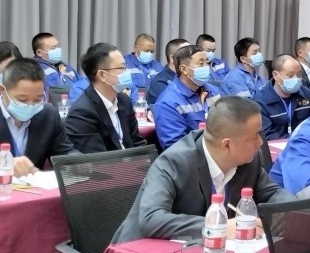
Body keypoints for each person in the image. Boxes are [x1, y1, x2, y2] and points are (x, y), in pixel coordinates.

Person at [112, 96, 294, 244]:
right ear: (227, 145)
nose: (260, 143)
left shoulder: (249, 161)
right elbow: (151, 219)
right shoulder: (174, 162)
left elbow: (274, 194)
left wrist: (292, 213)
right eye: (254, 137)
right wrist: (219, 227)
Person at [0, 58, 74, 172]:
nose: (30, 105)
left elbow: (67, 155)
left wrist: (81, 163)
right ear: (3, 91)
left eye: (37, 99)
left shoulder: (48, 116)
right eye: (22, 99)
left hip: (36, 186)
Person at [65, 42, 148, 154]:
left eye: (126, 67)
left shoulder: (124, 101)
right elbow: (98, 158)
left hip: (132, 162)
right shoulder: (82, 112)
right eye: (122, 68)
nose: (127, 72)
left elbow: (138, 144)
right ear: (102, 75)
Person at [153, 45, 224, 149]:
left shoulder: (213, 90)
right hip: (194, 156)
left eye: (207, 63)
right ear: (184, 69)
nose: (206, 67)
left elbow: (227, 123)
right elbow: (175, 148)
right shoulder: (167, 103)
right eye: (201, 64)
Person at [253, 54, 310, 140]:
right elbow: (266, 134)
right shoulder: (260, 101)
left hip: (304, 143)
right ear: (275, 75)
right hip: (276, 145)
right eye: (290, 75)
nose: (296, 79)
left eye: (299, 75)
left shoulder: (307, 94)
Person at [146, 38, 189, 104]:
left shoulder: (190, 77)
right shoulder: (159, 82)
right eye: (187, 55)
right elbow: (173, 105)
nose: (191, 58)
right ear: (172, 58)